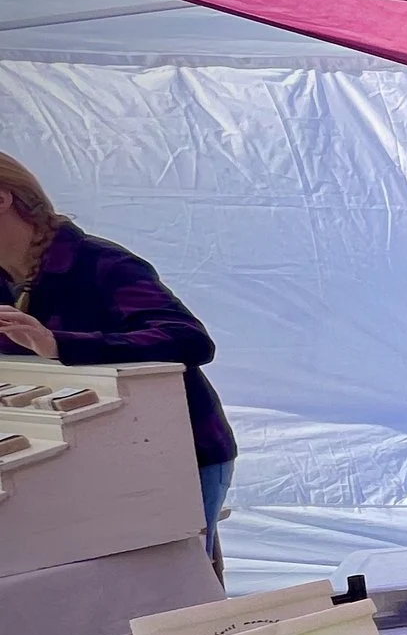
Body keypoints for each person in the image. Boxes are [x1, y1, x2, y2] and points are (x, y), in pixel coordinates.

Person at [0, 152, 238, 570]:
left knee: (177, 579)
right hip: (76, 458)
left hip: (176, 451)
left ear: (3, 198)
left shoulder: (99, 262)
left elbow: (188, 339)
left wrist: (58, 343)